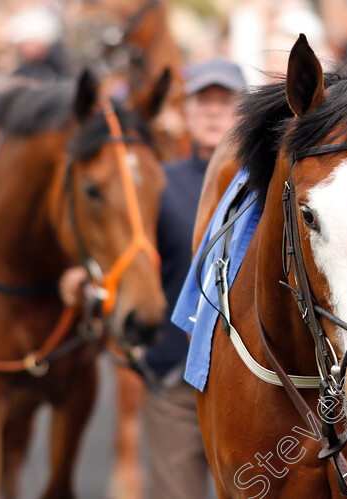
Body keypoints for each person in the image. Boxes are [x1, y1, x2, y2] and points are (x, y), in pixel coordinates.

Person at [142, 57, 245, 499]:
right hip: (176, 380)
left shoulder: (268, 183)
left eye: (226, 101)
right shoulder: (157, 184)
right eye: (203, 101)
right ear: (186, 112)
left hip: (253, 383)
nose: (213, 111)